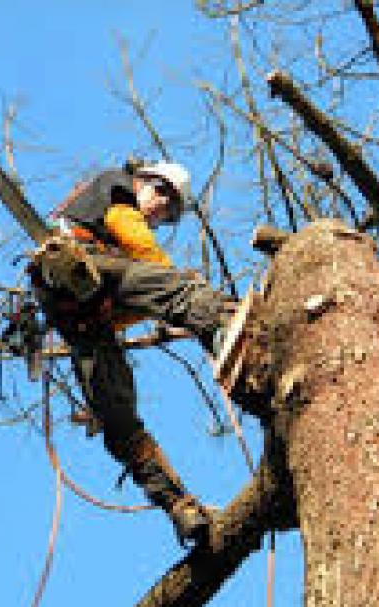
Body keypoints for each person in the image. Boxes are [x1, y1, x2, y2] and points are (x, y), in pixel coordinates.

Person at [31, 159, 236, 545]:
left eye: (171, 210)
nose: (161, 209)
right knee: (183, 289)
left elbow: (128, 303)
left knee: (118, 420)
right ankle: (231, 328)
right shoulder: (116, 188)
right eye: (162, 196)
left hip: (82, 316)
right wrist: (168, 275)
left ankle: (177, 505)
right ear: (144, 181)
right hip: (82, 264)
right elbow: (136, 239)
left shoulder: (115, 225)